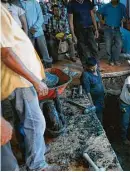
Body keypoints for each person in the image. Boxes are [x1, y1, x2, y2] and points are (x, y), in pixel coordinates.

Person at [1, 4, 60, 170]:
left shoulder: (4, 8)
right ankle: (37, 164)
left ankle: (33, 150)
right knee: (35, 122)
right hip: (18, 80)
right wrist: (35, 80)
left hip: (19, 79)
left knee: (25, 119)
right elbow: (6, 54)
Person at [20, 0, 53, 68]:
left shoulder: (34, 2)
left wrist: (35, 27)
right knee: (30, 52)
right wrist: (26, 30)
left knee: (44, 51)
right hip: (26, 32)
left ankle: (49, 66)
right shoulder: (19, 3)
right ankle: (34, 68)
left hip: (38, 31)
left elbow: (41, 18)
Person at [68, 0, 99, 68]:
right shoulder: (71, 4)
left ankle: (96, 66)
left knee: (94, 48)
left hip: (89, 29)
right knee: (82, 50)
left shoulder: (88, 2)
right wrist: (73, 35)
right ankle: (85, 67)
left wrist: (96, 29)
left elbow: (92, 16)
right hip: (78, 31)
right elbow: (70, 22)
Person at [97, 0, 127, 66]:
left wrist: (124, 19)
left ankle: (116, 59)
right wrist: (101, 20)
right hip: (107, 28)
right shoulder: (106, 6)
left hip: (117, 29)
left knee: (119, 44)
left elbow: (126, 16)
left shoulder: (122, 6)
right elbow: (97, 12)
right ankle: (110, 60)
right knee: (108, 45)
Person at [81, 57, 104, 123]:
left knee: (101, 113)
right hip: (95, 100)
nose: (93, 69)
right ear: (87, 67)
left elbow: (100, 80)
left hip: (101, 98)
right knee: (97, 116)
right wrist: (92, 104)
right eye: (91, 68)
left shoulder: (97, 70)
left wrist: (104, 90)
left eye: (94, 67)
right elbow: (87, 91)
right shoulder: (86, 75)